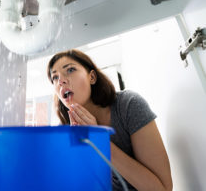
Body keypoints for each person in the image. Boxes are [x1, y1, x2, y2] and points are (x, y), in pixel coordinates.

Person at [46, 49, 173, 191]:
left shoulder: (128, 106)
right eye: (55, 78)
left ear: (92, 77)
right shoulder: (65, 130)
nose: (61, 81)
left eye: (70, 70)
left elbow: (162, 189)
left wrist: (99, 140)